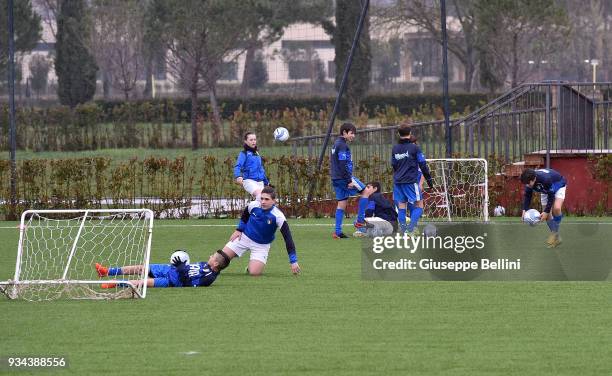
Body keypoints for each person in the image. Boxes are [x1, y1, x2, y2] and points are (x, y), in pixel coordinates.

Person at [221, 186, 301, 276]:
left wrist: (293, 261)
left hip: (261, 245)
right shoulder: (254, 205)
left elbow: (288, 238)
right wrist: (239, 229)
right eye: (262, 198)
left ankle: (250, 267)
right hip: (244, 237)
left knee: (254, 273)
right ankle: (228, 257)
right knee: (219, 260)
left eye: (267, 199)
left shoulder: (278, 216)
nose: (263, 202)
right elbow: (246, 213)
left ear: (274, 201)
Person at [95, 250, 230, 288]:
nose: (210, 256)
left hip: (172, 281)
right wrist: (181, 262)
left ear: (216, 264)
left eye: (213, 257)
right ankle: (107, 271)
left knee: (143, 283)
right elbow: (187, 266)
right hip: (169, 269)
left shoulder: (209, 279)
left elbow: (188, 283)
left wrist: (181, 269)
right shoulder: (203, 264)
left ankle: (114, 284)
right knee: (141, 268)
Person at [391, 124, 434, 235]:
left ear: (399, 134)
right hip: (410, 181)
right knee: (419, 206)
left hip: (398, 182)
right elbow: (423, 165)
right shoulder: (414, 148)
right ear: (409, 133)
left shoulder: (395, 148)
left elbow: (393, 164)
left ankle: (404, 230)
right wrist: (429, 181)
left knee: (401, 207)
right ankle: (410, 230)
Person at [330, 122, 369, 239]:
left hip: (336, 178)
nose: (353, 136)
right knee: (366, 191)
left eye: (354, 134)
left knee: (342, 203)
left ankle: (337, 231)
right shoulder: (342, 145)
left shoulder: (336, 144)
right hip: (343, 178)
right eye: (352, 133)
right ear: (344, 133)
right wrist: (348, 180)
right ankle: (360, 221)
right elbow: (342, 164)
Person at [520, 168, 566, 248]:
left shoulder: (545, 179)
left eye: (528, 183)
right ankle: (556, 237)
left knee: (557, 208)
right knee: (547, 216)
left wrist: (546, 211)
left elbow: (551, 196)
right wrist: (525, 210)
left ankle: (555, 232)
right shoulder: (529, 180)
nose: (527, 185)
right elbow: (527, 195)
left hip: (558, 185)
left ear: (534, 179)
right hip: (545, 190)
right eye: (525, 183)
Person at [234, 132, 269, 201]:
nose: (253, 141)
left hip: (260, 182)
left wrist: (266, 182)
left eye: (254, 140)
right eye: (251, 140)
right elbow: (238, 166)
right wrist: (238, 176)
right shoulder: (244, 153)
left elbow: (260, 169)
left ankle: (249, 211)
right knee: (260, 196)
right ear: (245, 141)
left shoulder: (257, 153)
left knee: (264, 200)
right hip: (249, 181)